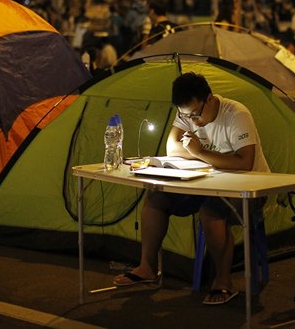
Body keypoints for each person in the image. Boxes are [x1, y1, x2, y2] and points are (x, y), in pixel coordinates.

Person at [113, 72, 270, 305]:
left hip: (248, 188)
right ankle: (147, 267)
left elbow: (244, 163)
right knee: (157, 198)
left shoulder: (236, 114)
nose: (193, 121)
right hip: (204, 183)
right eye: (185, 115)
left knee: (211, 211)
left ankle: (223, 281)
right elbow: (172, 147)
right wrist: (215, 158)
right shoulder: (187, 112)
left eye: (196, 114)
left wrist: (200, 153)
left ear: (209, 98)